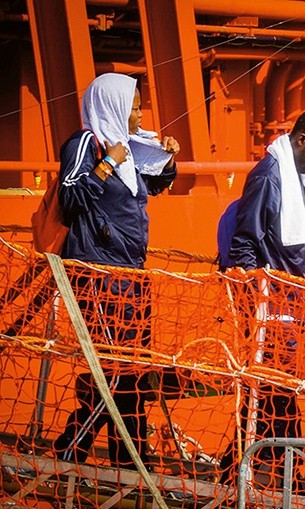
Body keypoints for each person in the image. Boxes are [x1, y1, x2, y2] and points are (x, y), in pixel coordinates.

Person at [52, 73, 180, 468]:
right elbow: (70, 197)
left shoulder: (127, 147)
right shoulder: (86, 144)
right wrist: (107, 163)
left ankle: (127, 453)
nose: (139, 115)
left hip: (130, 275)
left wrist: (168, 160)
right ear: (114, 107)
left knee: (132, 367)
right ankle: (79, 449)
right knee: (110, 368)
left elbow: (150, 186)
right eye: (134, 107)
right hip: (100, 273)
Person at [216, 109, 305, 485]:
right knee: (273, 391)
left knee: (277, 391)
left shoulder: (294, 175)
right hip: (270, 304)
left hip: (289, 302)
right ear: (301, 140)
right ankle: (272, 472)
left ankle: (250, 469)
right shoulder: (270, 176)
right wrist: (258, 303)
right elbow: (244, 242)